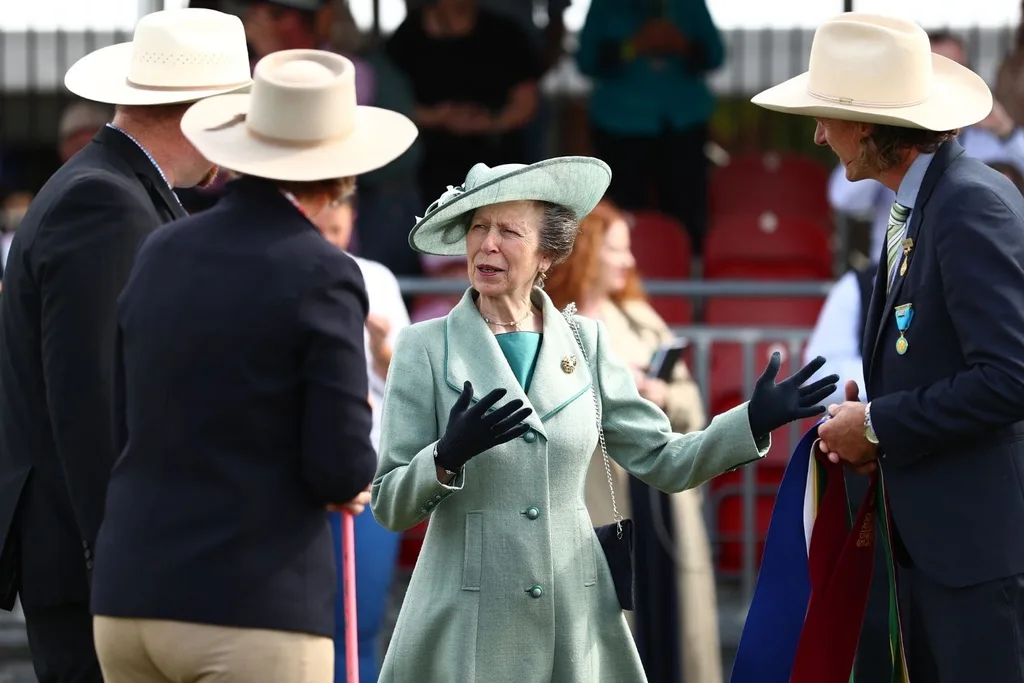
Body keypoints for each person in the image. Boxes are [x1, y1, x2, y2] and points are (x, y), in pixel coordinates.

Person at [369, 156, 838, 682]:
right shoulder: (424, 348)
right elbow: (389, 504)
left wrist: (751, 420)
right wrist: (445, 457)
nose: (488, 244)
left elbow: (662, 460)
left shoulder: (586, 342)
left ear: (548, 252)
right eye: (478, 226)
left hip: (576, 622)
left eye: (509, 231)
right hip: (465, 627)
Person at [88, 49, 418, 683]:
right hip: (251, 604)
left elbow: (124, 415)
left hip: (129, 597)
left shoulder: (159, 249)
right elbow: (340, 467)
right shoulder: (324, 272)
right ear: (337, 176)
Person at [753, 12, 1024, 683]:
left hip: (979, 559)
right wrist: (879, 421)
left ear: (872, 125)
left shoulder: (966, 205)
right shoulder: (926, 204)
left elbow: (1011, 376)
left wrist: (878, 423)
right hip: (943, 552)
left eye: (827, 116)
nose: (818, 134)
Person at [0, 9, 252, 683]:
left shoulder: (109, 187)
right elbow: (97, 404)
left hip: (97, 558)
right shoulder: (107, 202)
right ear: (201, 109)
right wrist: (132, 566)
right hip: (102, 567)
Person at [545, 199, 719, 683]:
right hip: (593, 498)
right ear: (587, 251)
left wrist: (660, 393)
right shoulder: (550, 323)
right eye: (617, 249)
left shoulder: (642, 319)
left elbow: (692, 406)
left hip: (658, 496)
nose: (628, 261)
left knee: (672, 619)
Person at [311, 194, 412, 683]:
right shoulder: (283, 271)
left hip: (366, 472)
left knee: (359, 625)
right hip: (296, 477)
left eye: (337, 229)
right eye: (320, 227)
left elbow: (411, 384)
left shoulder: (375, 278)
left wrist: (380, 345)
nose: (330, 239)